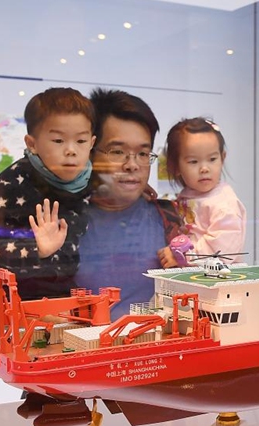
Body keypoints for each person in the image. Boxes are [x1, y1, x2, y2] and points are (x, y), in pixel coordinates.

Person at [74, 88, 181, 321]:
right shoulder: (62, 220)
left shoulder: (169, 217)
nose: (132, 165)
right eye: (117, 151)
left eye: (143, 154)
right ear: (89, 152)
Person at [0, 87, 95, 301]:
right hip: (24, 300)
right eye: (58, 141)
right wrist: (36, 250)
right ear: (32, 144)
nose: (71, 150)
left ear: (92, 143)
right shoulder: (11, 183)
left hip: (70, 294)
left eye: (80, 141)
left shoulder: (91, 179)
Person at [157, 117, 246, 267]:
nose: (204, 168)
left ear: (222, 158)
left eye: (212, 159)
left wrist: (181, 256)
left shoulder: (224, 203)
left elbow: (222, 250)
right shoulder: (188, 194)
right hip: (195, 276)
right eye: (193, 161)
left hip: (219, 280)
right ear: (176, 167)